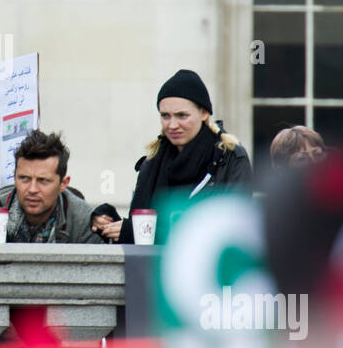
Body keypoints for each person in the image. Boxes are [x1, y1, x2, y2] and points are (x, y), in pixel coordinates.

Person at [99, 69, 252, 244]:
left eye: (182, 115)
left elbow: (231, 231)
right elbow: (138, 225)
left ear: (204, 113)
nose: (172, 125)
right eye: (165, 116)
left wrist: (137, 232)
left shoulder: (231, 159)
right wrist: (107, 222)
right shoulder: (152, 161)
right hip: (152, 269)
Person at [0, 130, 105, 244]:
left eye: (43, 180)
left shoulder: (84, 221)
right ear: (14, 176)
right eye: (24, 178)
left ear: (63, 184)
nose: (32, 189)